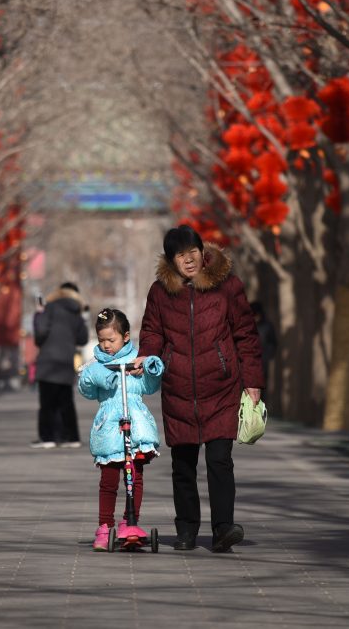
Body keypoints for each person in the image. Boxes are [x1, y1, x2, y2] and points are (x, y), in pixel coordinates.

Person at [132, 225, 263, 553]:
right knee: (183, 463)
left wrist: (253, 382)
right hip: (178, 388)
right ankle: (187, 530)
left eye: (192, 252)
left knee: (220, 460)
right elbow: (152, 331)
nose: (188, 260)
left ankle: (223, 528)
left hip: (221, 387)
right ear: (171, 260)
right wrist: (147, 356)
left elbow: (245, 334)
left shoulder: (227, 286)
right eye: (180, 255)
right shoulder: (160, 292)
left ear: (202, 253)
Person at [78, 308, 164, 551]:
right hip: (109, 430)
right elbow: (87, 390)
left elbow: (149, 386)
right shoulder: (96, 364)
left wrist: (150, 367)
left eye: (111, 340)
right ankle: (104, 526)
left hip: (134, 428)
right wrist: (95, 376)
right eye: (102, 339)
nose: (106, 345)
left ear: (126, 336)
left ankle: (130, 521)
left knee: (135, 477)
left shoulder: (137, 357)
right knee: (108, 480)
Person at [32, 281, 89, 448]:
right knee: (66, 402)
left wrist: (38, 315)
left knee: (47, 403)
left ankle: (48, 437)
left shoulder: (50, 307)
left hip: (48, 361)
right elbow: (83, 339)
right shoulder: (76, 312)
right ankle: (71, 438)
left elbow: (40, 333)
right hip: (65, 361)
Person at [249, 301, 277, 399]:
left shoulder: (267, 326)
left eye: (256, 315)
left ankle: (260, 411)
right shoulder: (246, 326)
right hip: (246, 362)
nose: (255, 317)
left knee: (261, 390)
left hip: (262, 364)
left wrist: (266, 355)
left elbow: (273, 343)